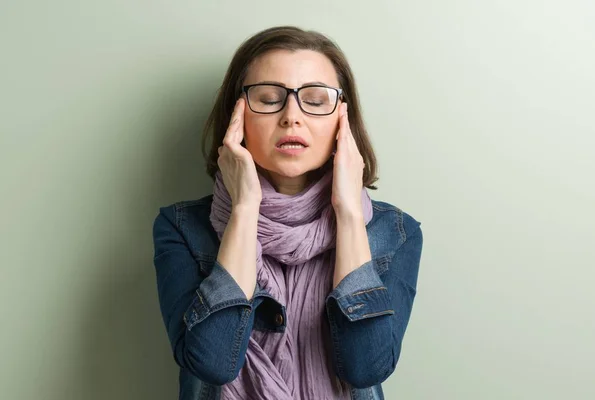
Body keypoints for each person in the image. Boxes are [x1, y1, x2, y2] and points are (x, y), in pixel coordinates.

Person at [152, 25, 424, 400]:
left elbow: (365, 368)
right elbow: (213, 362)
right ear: (238, 115)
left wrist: (347, 214)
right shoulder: (181, 228)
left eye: (314, 100)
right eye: (268, 98)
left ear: (342, 119)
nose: (291, 116)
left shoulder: (395, 232)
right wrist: (244, 209)